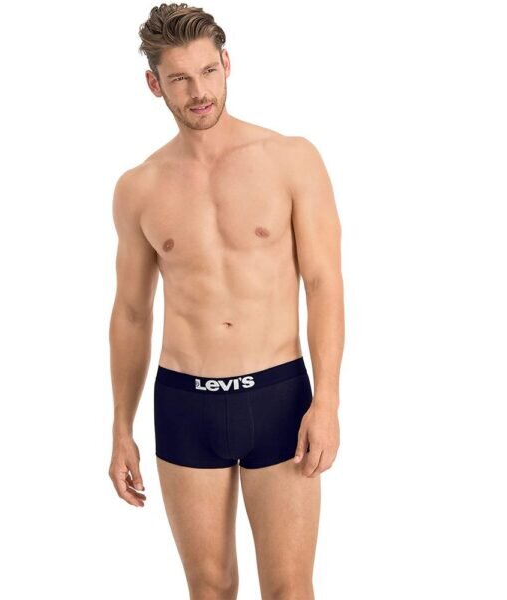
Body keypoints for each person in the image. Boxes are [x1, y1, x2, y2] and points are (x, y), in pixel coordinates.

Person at [108, 3, 344, 598]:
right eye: (180, 79)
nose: (199, 92)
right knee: (208, 589)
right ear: (154, 84)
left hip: (279, 397)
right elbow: (131, 312)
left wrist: (327, 400)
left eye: (208, 71)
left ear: (227, 64)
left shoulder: (290, 159)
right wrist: (120, 426)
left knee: (289, 589)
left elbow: (324, 283)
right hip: (185, 403)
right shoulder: (139, 188)